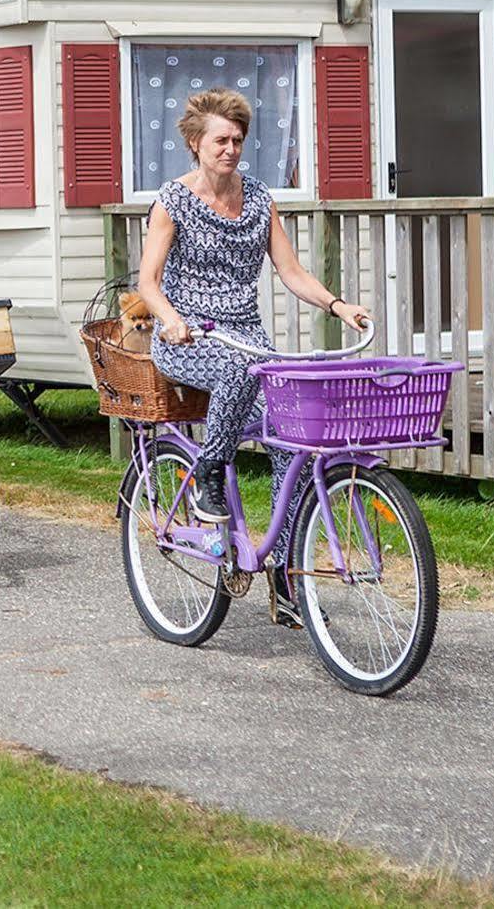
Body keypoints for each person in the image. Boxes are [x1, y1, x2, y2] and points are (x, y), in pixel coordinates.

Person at [137, 88, 370, 617]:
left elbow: (291, 273)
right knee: (238, 372)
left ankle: (284, 579)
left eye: (238, 139)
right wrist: (171, 319)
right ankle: (209, 476)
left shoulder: (261, 199)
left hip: (246, 339)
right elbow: (148, 282)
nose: (231, 148)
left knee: (291, 441)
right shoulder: (171, 201)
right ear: (196, 144)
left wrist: (336, 305)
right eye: (221, 139)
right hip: (188, 339)